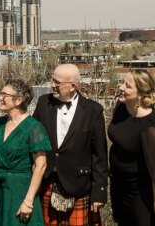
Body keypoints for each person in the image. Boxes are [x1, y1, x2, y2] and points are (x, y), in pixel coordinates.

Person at [31, 63, 108, 225]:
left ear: (72, 86)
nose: (52, 85)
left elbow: (99, 155)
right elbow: (32, 140)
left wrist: (99, 193)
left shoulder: (93, 111)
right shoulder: (43, 103)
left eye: (57, 82)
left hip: (79, 184)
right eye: (52, 80)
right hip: (47, 182)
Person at [0, 78, 51, 225]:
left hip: (20, 191)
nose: (0, 97)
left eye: (4, 94)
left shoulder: (34, 128)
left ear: (18, 100)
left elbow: (41, 165)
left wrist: (28, 201)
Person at [108, 69, 155, 226]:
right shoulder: (121, 108)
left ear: (141, 94)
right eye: (123, 83)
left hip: (140, 194)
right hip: (119, 186)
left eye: (127, 86)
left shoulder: (151, 126)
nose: (121, 87)